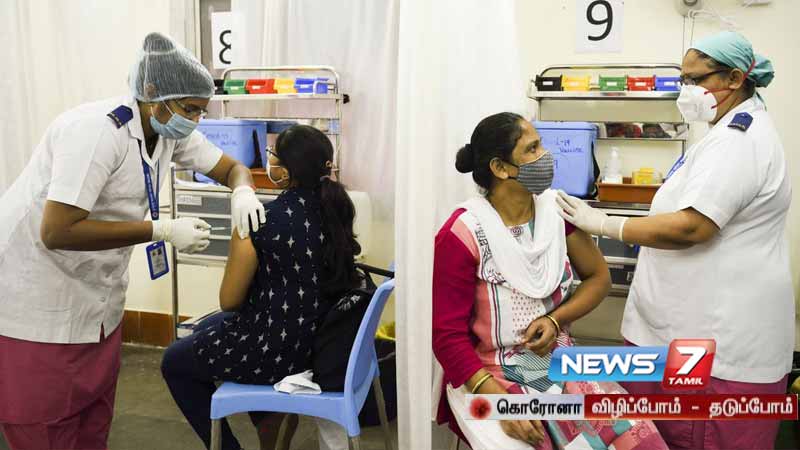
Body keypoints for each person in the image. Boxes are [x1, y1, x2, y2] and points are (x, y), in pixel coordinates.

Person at [0, 32, 266, 450]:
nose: (196, 119)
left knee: (93, 414)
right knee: (46, 421)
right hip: (36, 288)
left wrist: (243, 190)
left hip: (94, 291)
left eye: (202, 110)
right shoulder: (95, 132)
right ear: (154, 94)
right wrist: (159, 230)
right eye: (190, 109)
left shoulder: (169, 129)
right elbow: (56, 231)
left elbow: (232, 168)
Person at [556, 31, 793, 450]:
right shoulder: (721, 134)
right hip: (683, 331)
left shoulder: (739, 139)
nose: (686, 90)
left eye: (695, 79)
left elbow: (692, 227)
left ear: (735, 78)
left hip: (713, 345)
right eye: (683, 79)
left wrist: (606, 224)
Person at [432, 112, 668, 449]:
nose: (546, 156)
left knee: (634, 433)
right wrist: (501, 403)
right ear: (500, 168)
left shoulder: (555, 214)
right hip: (488, 373)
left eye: (541, 145)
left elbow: (598, 278)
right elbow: (447, 337)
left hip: (557, 361)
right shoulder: (463, 233)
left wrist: (555, 320)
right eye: (532, 149)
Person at [161, 125, 363, 450]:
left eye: (272, 154)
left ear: (285, 171)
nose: (269, 159)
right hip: (320, 339)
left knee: (174, 361)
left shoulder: (259, 219)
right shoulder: (336, 209)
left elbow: (229, 299)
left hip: (277, 349)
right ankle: (268, 418)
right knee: (207, 328)